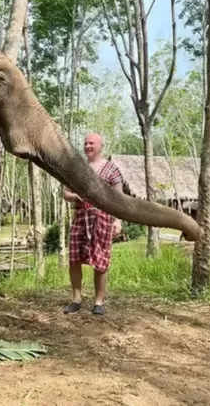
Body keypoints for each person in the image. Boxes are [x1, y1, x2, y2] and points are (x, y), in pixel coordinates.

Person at [62, 133, 124, 315]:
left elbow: (119, 199)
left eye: (91, 143)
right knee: (74, 259)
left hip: (102, 218)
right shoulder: (78, 169)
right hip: (80, 216)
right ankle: (76, 299)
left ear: (100, 146)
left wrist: (118, 221)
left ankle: (99, 302)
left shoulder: (111, 169)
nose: (87, 146)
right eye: (85, 143)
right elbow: (65, 193)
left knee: (101, 261)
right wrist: (74, 196)